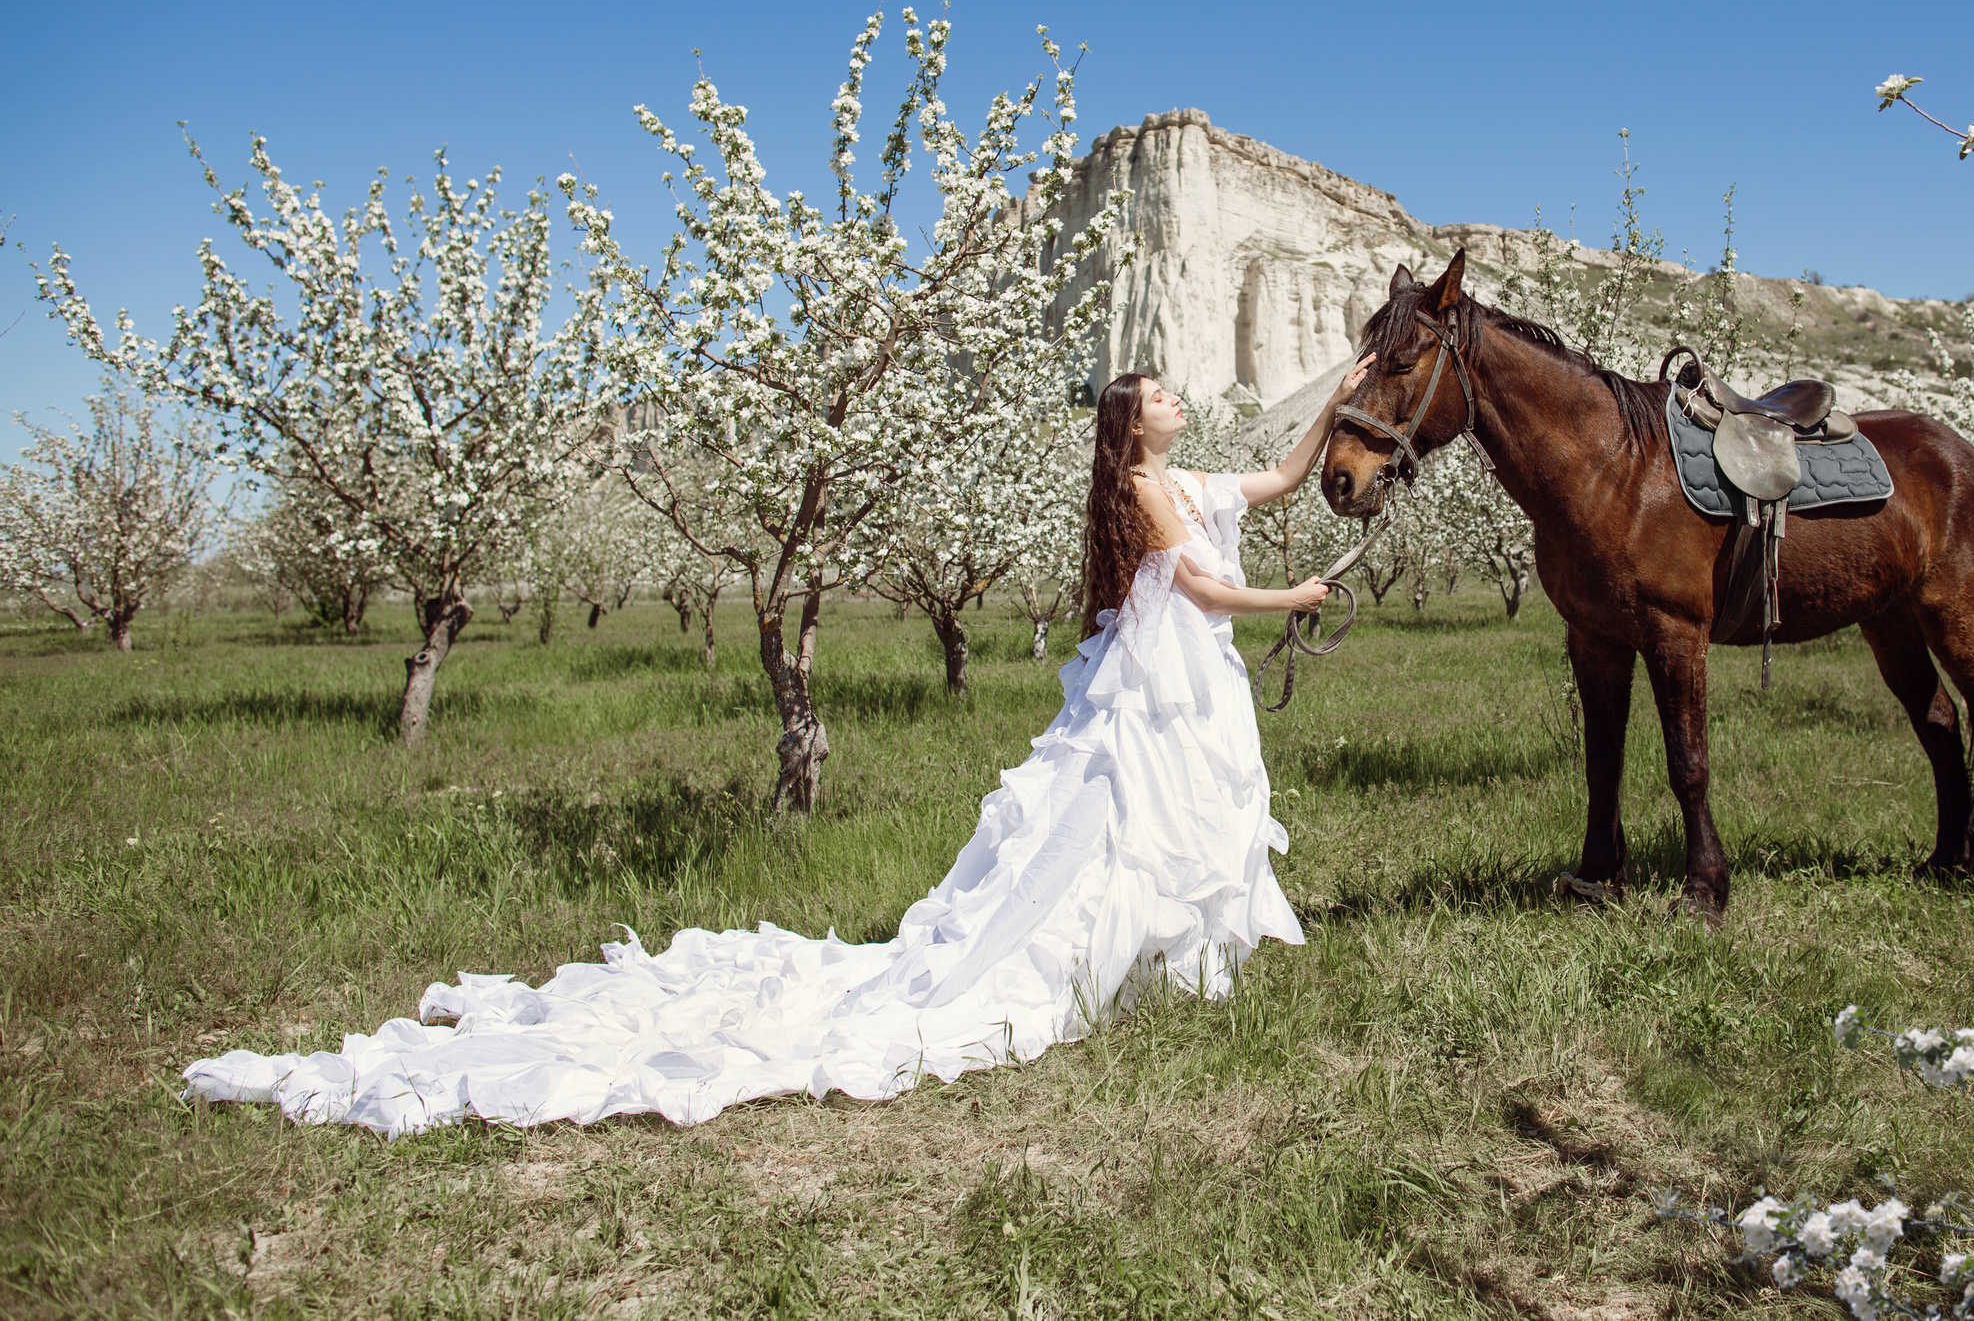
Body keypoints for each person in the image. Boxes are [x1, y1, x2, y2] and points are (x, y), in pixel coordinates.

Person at [182, 358, 1373, 1136]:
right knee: (1120, 827)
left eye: (1168, 391)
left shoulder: (1185, 477)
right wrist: (1300, 598)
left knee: (1170, 823)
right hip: (1165, 684)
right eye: (1157, 393)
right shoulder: (1143, 486)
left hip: (1181, 689)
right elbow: (1207, 602)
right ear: (1130, 421)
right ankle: (1116, 971)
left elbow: (1273, 478)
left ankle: (1166, 970)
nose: (1172, 400)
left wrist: (1347, 400)